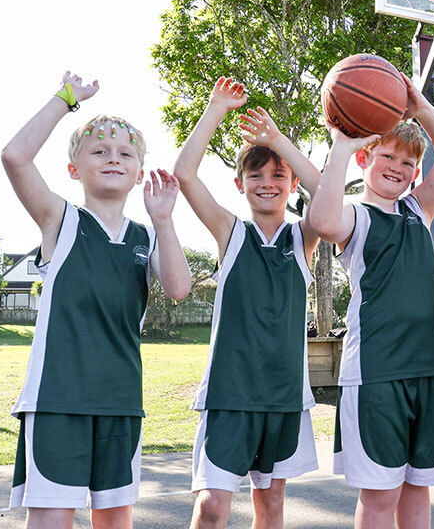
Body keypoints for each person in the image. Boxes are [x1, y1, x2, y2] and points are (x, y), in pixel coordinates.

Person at [1, 71, 191, 529]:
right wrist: (65, 100)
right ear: (74, 168)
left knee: (115, 520)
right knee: (51, 519)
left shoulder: (145, 235)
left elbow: (179, 287)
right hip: (57, 399)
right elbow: (14, 156)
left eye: (125, 152)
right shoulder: (60, 221)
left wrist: (165, 221)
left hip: (121, 401)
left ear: (139, 172)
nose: (113, 157)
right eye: (99, 150)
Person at [308, 73, 434, 529]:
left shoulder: (419, 209)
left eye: (409, 161)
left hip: (427, 371)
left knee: (418, 494)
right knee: (381, 498)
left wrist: (420, 109)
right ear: (365, 157)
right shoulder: (356, 216)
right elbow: (322, 217)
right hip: (376, 373)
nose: (398, 166)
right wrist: (339, 144)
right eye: (388, 155)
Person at [173, 77, 322, 529]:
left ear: (292, 182)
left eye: (279, 174)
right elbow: (184, 174)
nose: (267, 183)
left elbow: (326, 190)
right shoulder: (231, 233)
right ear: (240, 183)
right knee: (212, 507)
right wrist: (215, 108)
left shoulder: (304, 236)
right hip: (230, 394)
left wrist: (279, 142)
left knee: (271, 504)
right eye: (256, 174)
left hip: (283, 396)